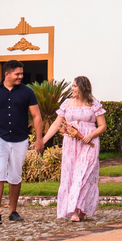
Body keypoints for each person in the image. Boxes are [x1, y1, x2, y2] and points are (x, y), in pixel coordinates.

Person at [0, 60, 44, 225]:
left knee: (15, 174)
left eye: (21, 73)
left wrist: (39, 138)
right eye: (17, 74)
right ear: (6, 74)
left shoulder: (27, 92)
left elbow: (36, 115)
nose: (21, 76)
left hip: (20, 139)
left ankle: (13, 211)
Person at [43, 76, 106, 221]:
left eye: (75, 86)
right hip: (71, 144)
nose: (72, 89)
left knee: (84, 175)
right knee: (71, 175)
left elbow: (102, 126)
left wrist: (90, 135)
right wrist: (44, 139)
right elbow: (56, 125)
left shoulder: (94, 104)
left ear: (83, 88)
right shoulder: (67, 103)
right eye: (72, 86)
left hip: (89, 144)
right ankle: (74, 212)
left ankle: (83, 206)